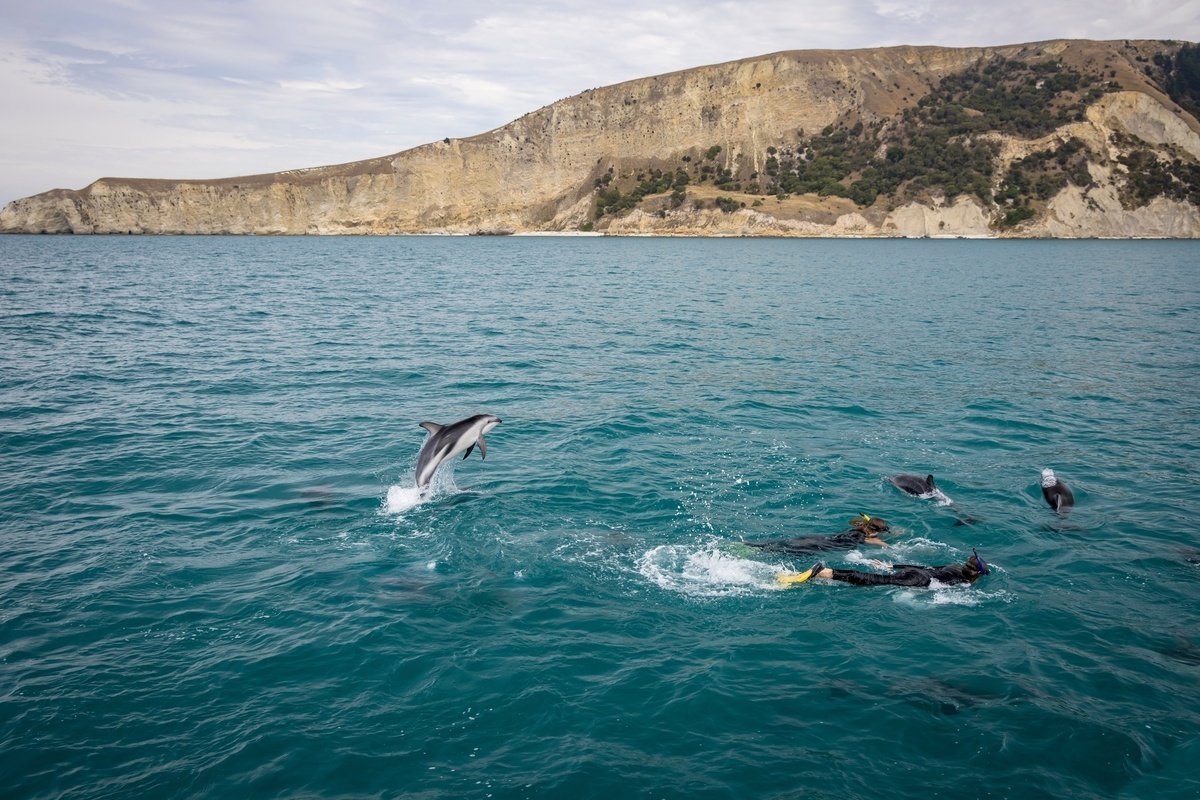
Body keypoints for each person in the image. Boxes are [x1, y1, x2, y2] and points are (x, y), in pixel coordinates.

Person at [805, 550, 990, 587]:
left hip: (917, 573)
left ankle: (828, 573)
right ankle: (828, 573)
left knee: (881, 577)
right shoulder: (966, 583)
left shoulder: (953, 566)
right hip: (920, 580)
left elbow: (924, 566)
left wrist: (891, 565)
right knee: (879, 580)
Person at [744, 515, 890, 556]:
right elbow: (886, 546)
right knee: (793, 550)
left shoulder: (857, 527)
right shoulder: (870, 538)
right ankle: (758, 551)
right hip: (827, 545)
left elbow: (855, 520)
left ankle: (751, 544)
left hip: (823, 538)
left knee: (790, 542)